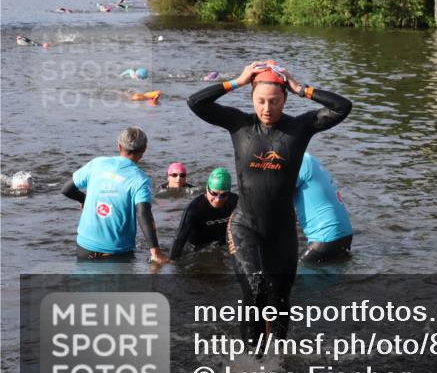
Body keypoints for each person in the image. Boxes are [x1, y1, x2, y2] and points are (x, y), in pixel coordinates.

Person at [188, 60, 352, 345]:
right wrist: (237, 81)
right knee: (256, 290)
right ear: (252, 98)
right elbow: (196, 103)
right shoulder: (240, 124)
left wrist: (302, 88)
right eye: (261, 101)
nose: (267, 108)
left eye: (274, 101)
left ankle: (276, 361)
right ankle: (252, 363)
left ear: (285, 98)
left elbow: (342, 107)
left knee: (279, 302)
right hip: (245, 227)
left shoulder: (298, 128)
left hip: (282, 234)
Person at [60, 127, 169, 263]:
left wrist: (84, 199)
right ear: (144, 149)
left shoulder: (97, 163)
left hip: (84, 246)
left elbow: (66, 189)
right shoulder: (140, 179)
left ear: (118, 145)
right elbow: (143, 213)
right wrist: (156, 252)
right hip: (117, 252)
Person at [295, 152, 353, 264]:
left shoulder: (295, 162)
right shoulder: (308, 158)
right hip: (345, 234)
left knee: (296, 277)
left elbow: (279, 200)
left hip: (325, 238)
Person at [169, 167, 238, 260]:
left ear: (229, 193)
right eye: (214, 193)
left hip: (221, 244)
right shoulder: (194, 209)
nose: (218, 200)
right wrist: (172, 263)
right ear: (207, 189)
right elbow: (179, 239)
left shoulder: (235, 201)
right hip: (195, 247)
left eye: (224, 195)